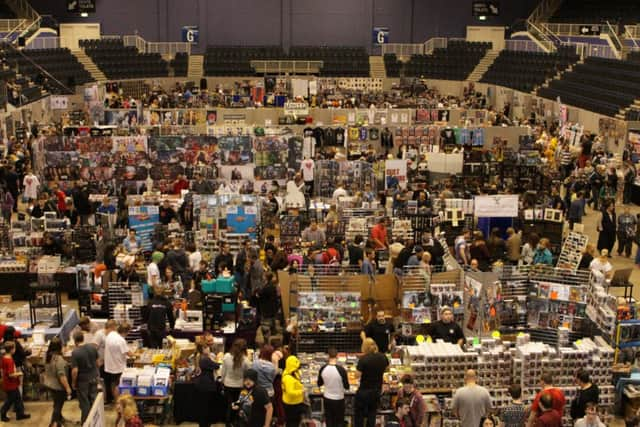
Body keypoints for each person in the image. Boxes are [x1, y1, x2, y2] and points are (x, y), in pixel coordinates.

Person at [355, 338, 388, 427]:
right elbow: (387, 369)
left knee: (359, 415)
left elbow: (357, 375)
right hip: (376, 391)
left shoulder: (363, 359)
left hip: (364, 391)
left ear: (364, 347)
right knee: (372, 414)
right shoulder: (383, 357)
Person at [221, 338, 251, 425]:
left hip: (228, 385)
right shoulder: (246, 361)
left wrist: (222, 382)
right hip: (240, 386)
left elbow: (223, 372)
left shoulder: (226, 356)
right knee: (239, 406)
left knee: (229, 405)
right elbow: (248, 375)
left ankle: (228, 423)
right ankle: (237, 423)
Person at [71, 331, 98, 424]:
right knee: (94, 400)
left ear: (74, 340)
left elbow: (75, 371)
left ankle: (86, 423)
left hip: (83, 381)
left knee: (84, 403)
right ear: (83, 338)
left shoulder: (75, 352)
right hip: (94, 377)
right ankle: (95, 421)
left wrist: (73, 383)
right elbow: (98, 362)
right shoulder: (92, 347)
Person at [318, 347, 350, 427]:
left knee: (329, 421)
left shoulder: (323, 369)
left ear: (328, 357)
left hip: (327, 398)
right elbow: (347, 387)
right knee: (339, 422)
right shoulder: (341, 370)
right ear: (337, 356)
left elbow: (319, 383)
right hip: (339, 399)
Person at [44, 337, 72, 427]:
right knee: (58, 405)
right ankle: (53, 423)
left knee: (56, 402)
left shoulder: (47, 356)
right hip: (58, 386)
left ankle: (59, 419)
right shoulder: (59, 359)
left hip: (49, 383)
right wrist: (68, 388)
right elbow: (62, 376)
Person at [104, 323, 133, 403]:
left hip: (109, 365)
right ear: (126, 332)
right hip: (118, 366)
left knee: (112, 383)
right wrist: (135, 354)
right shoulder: (121, 340)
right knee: (118, 385)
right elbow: (129, 353)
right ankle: (118, 402)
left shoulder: (111, 334)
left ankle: (115, 400)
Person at [1, 341, 29, 422]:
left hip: (9, 383)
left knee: (18, 399)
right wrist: (19, 373)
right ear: (12, 349)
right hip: (11, 384)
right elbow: (10, 374)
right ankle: (2, 413)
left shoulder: (4, 357)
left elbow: (3, 370)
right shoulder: (9, 360)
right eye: (14, 348)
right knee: (10, 400)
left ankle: (20, 414)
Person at [92, 320, 117, 404]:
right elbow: (93, 348)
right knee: (104, 381)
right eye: (114, 328)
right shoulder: (99, 334)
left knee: (110, 380)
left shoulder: (111, 335)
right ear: (111, 327)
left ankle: (110, 398)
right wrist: (97, 360)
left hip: (110, 362)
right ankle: (105, 400)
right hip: (102, 363)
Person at [193, 356, 221, 427]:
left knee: (201, 408)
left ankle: (202, 424)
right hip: (209, 386)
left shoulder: (202, 360)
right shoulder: (207, 359)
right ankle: (207, 424)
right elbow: (217, 366)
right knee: (208, 408)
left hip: (200, 386)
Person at [145, 283, 176, 348]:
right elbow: (146, 316)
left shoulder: (167, 302)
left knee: (163, 349)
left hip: (162, 330)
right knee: (153, 350)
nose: (158, 290)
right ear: (154, 290)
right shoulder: (150, 302)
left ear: (163, 289)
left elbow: (171, 317)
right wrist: (147, 327)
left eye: (160, 288)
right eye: (157, 288)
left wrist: (172, 327)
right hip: (151, 330)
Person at [282, 355, 305, 427]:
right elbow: (290, 392)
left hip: (296, 402)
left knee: (295, 422)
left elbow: (297, 381)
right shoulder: (288, 378)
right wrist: (301, 391)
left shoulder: (291, 372)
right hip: (292, 404)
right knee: (292, 423)